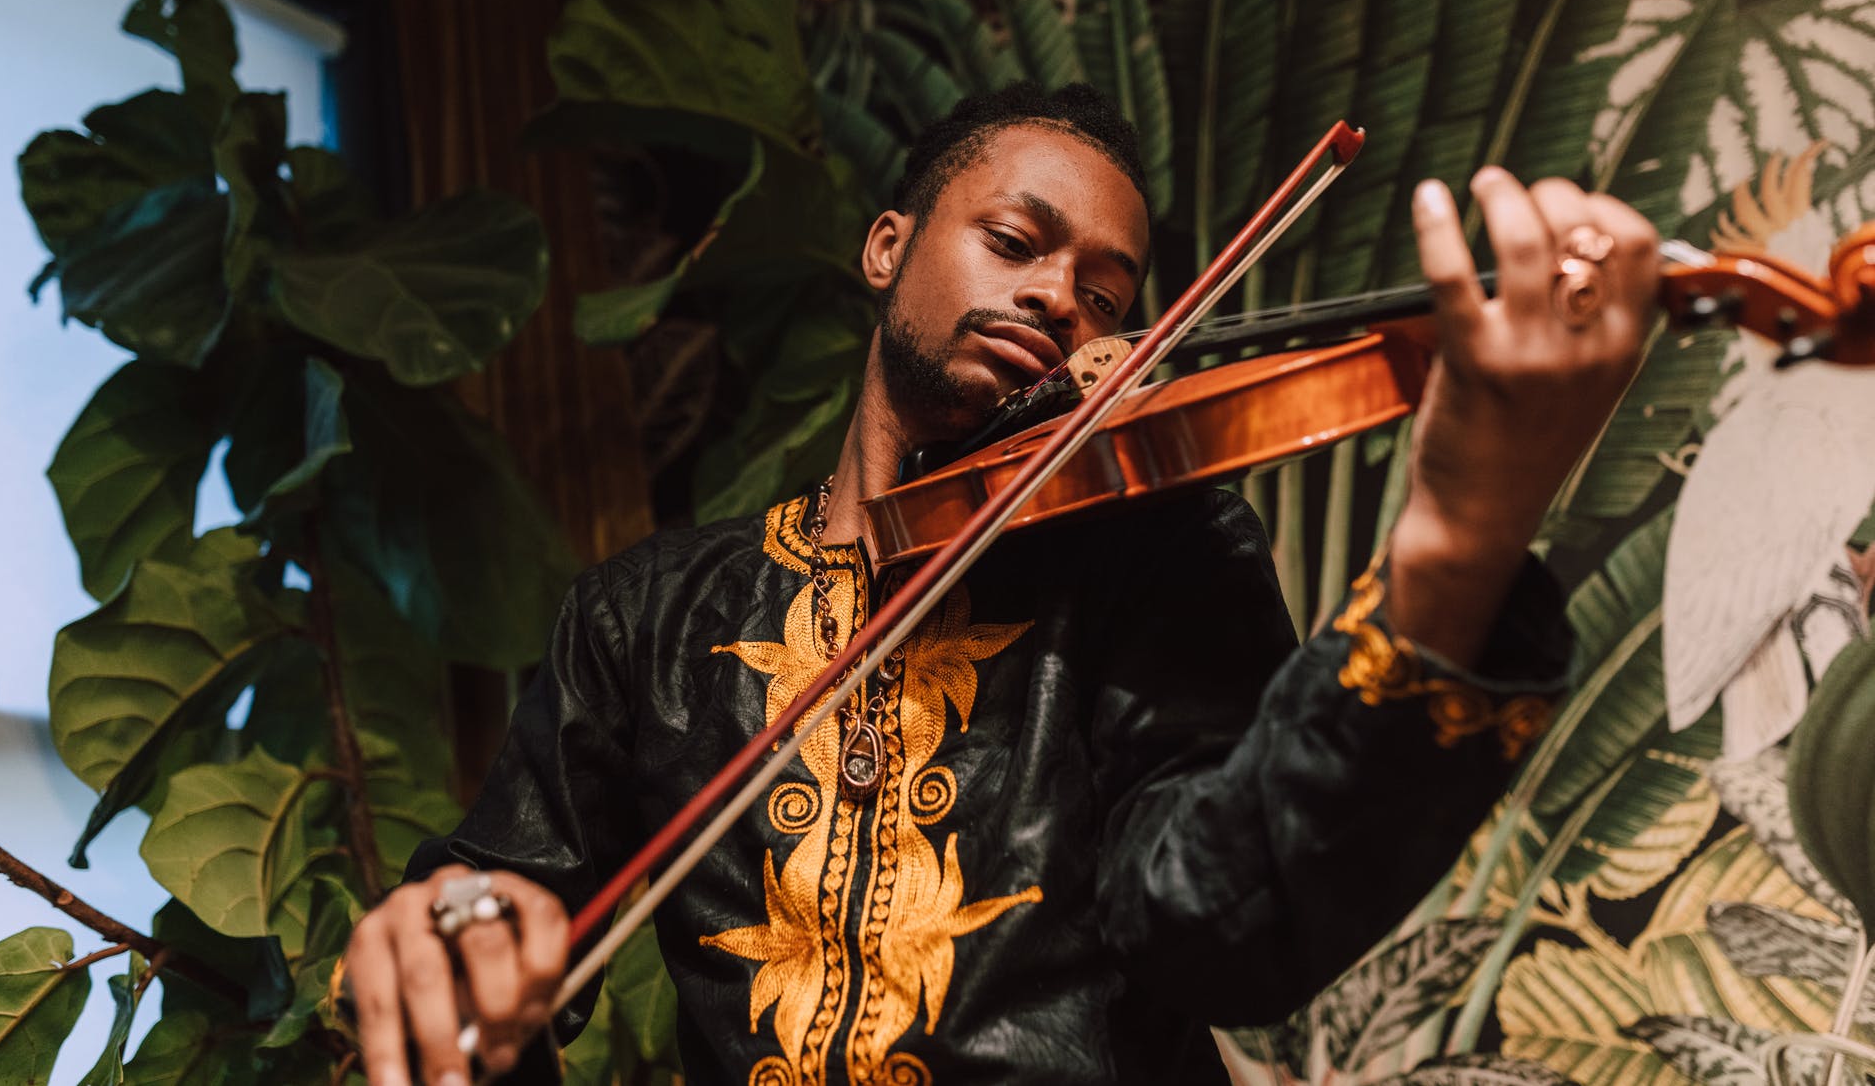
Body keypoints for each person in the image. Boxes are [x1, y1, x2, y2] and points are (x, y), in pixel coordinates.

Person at [342, 82, 1658, 1086]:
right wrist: (456, 923)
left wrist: (1456, 546)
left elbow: (1223, 930)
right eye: (1016, 239)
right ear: (886, 247)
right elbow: (500, 894)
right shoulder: (650, 615)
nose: (1057, 298)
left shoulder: (1150, 561)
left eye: (1109, 292)